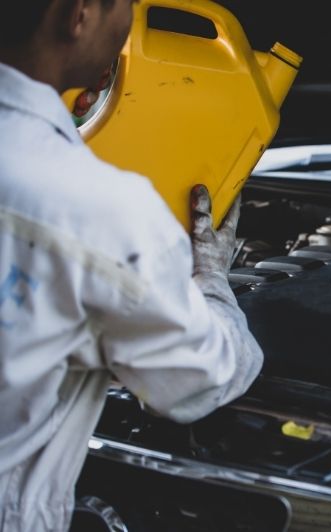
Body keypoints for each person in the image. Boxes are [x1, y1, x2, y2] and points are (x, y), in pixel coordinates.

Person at [0, 0, 264, 530]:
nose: (130, 24)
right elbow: (197, 380)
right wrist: (212, 283)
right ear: (78, 13)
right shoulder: (102, 213)